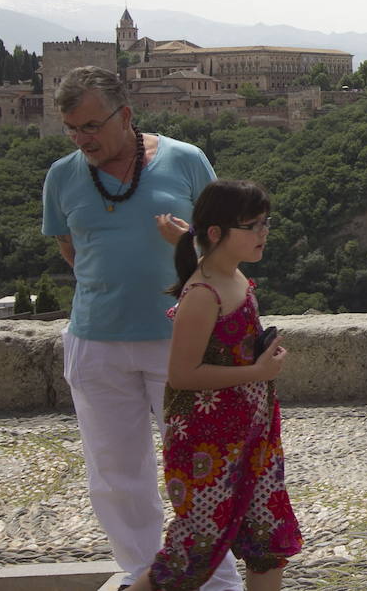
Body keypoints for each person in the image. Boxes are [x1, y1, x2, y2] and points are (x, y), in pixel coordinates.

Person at [41, 67, 241, 591]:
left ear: (125, 115)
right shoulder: (62, 176)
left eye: (90, 126)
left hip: (180, 341)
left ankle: (216, 582)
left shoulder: (185, 160)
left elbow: (224, 247)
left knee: (201, 468)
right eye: (71, 129)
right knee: (115, 476)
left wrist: (185, 249)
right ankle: (143, 574)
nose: (82, 140)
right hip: (95, 343)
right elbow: (71, 249)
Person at [126, 179, 301, 591]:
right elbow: (182, 375)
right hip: (210, 445)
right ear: (218, 234)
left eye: (265, 222)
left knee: (268, 539)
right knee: (191, 554)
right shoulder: (203, 293)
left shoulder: (232, 274)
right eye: (253, 225)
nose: (264, 233)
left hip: (252, 435)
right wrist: (256, 372)